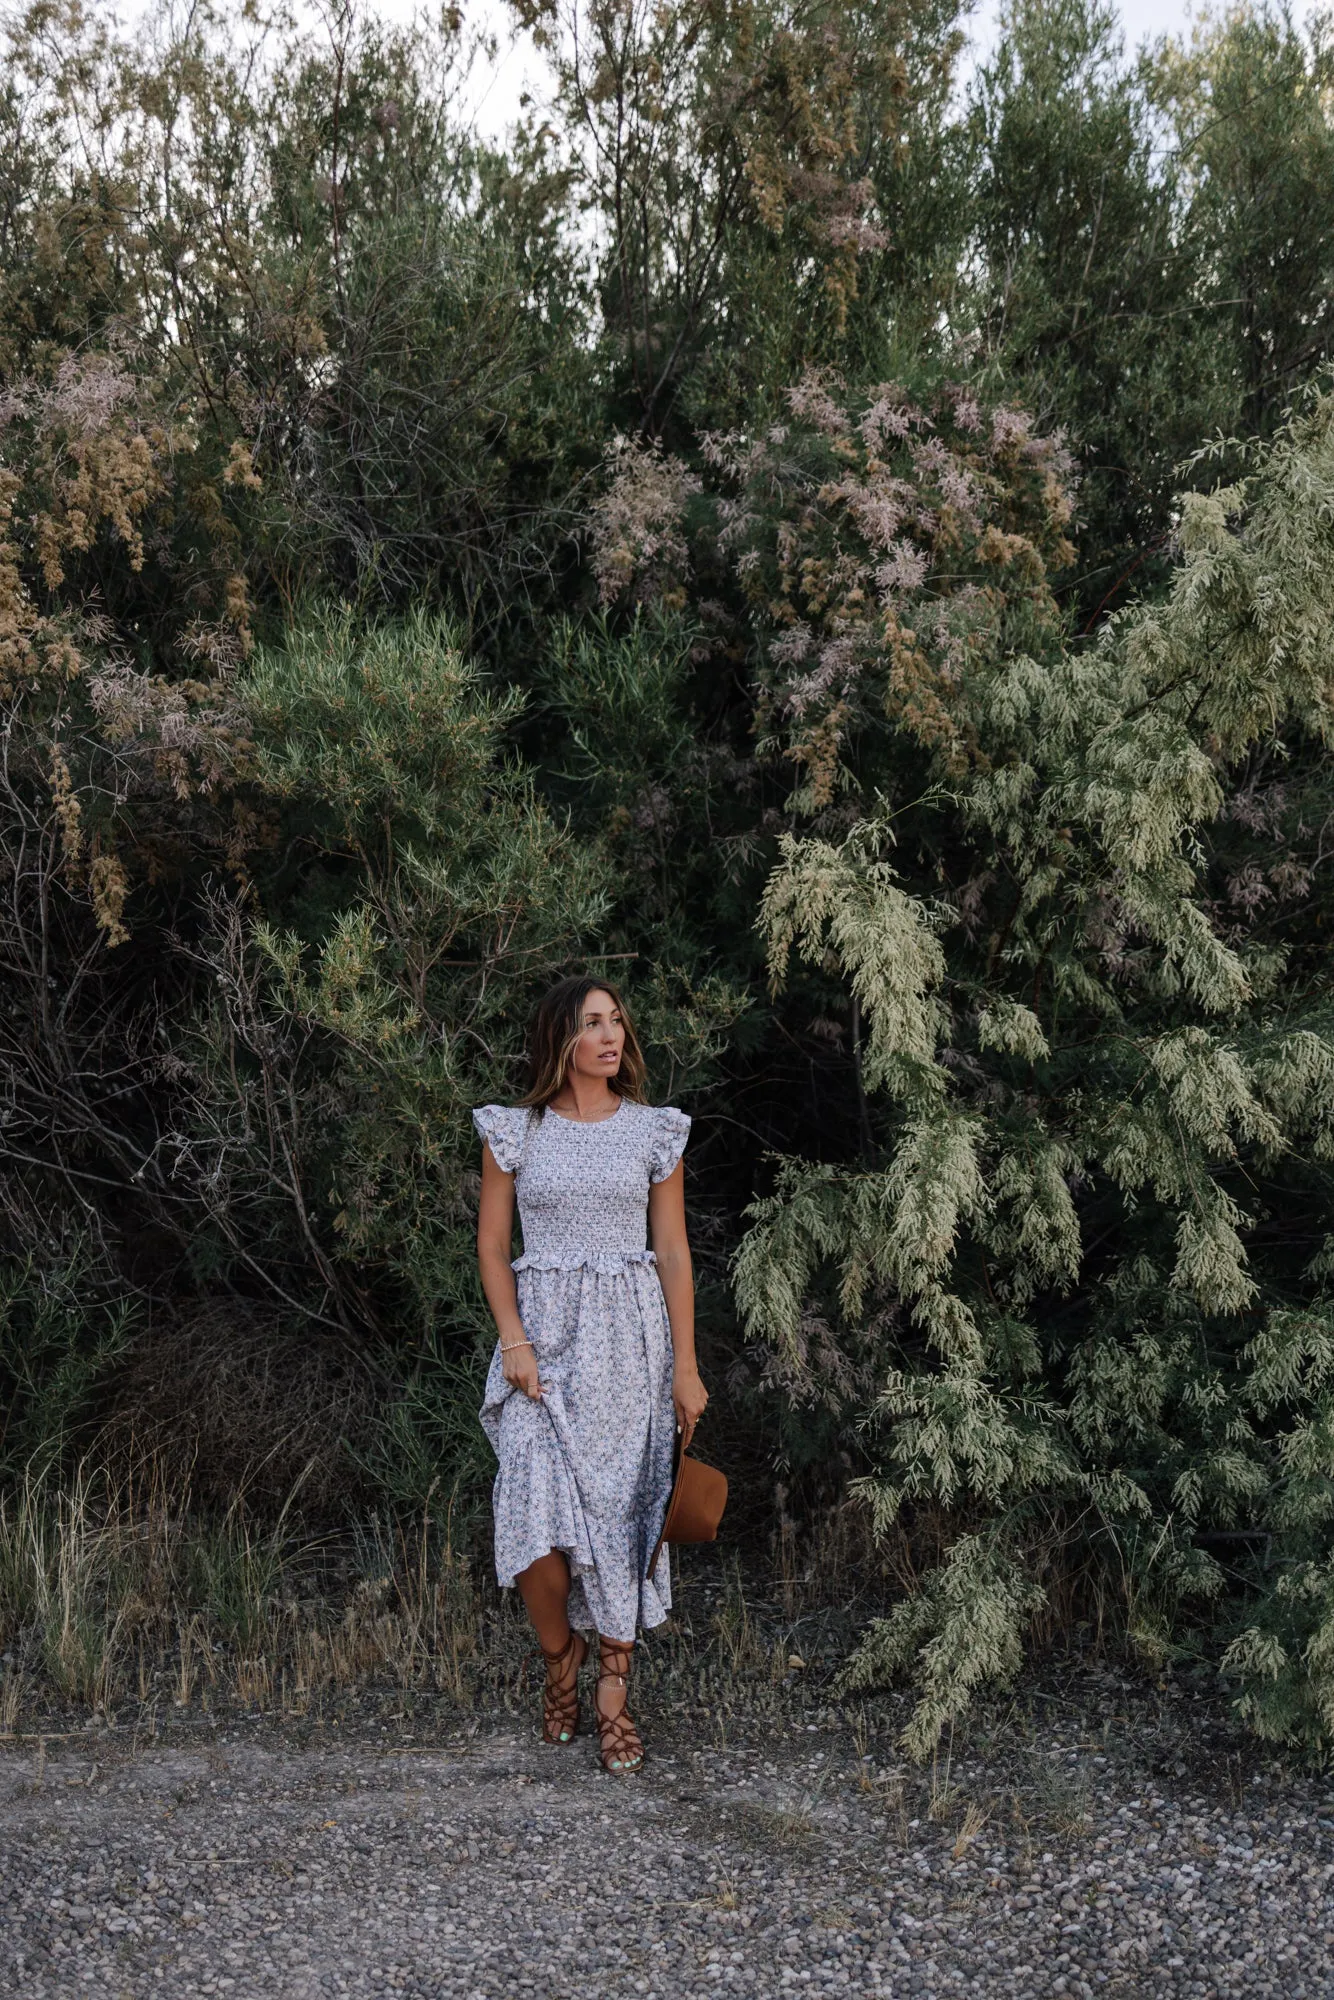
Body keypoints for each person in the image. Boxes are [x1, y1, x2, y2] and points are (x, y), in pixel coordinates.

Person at [473, 975, 708, 1773]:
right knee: (532, 1515)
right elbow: (492, 1248)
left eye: (616, 1021)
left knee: (621, 1517)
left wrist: (686, 1366)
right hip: (542, 1347)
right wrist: (514, 1340)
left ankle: (612, 1691)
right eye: (592, 1024)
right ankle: (559, 1658)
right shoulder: (516, 1132)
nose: (611, 1036)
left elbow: (673, 1253)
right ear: (560, 1042)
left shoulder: (653, 1133)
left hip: (631, 1347)